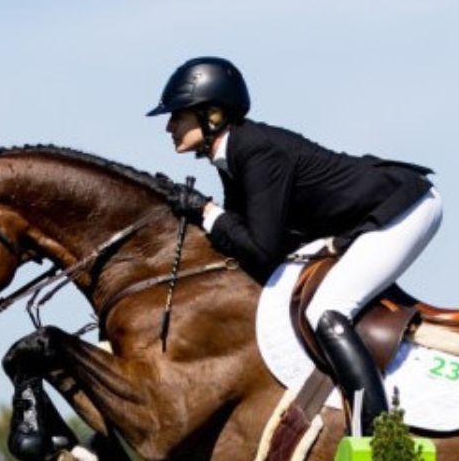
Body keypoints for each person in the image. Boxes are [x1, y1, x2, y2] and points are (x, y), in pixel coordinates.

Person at [147, 56, 442, 436]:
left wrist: (205, 211)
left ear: (213, 114)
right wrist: (204, 216)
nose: (169, 126)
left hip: (404, 208)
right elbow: (245, 241)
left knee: (327, 309)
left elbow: (261, 248)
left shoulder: (254, 150)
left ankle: (379, 437)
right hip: (362, 220)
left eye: (177, 115)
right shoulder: (233, 157)